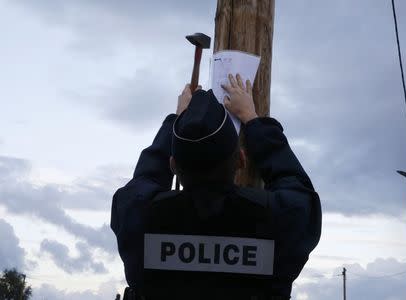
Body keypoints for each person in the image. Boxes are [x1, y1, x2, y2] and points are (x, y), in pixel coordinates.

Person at [111, 74, 321, 299]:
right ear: (241, 160)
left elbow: (144, 180)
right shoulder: (278, 219)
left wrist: (177, 121)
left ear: (172, 164)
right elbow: (297, 187)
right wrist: (253, 121)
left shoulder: (139, 216)